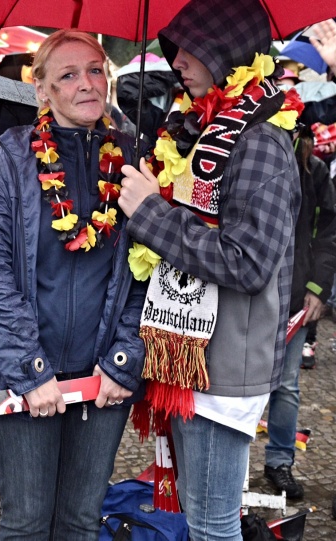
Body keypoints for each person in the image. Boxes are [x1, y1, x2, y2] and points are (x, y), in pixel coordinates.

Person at [118, 0, 300, 538]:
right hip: (192, 354)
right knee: (198, 516)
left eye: (190, 48)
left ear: (225, 51)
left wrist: (151, 214)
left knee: (212, 523)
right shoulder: (206, 128)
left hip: (225, 368)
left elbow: (245, 263)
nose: (177, 61)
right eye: (174, 48)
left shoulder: (260, 140)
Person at [0, 29, 145, 539]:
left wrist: (124, 358)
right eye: (68, 75)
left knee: (81, 521)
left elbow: (149, 272)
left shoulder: (133, 161)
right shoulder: (7, 160)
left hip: (102, 375)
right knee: (28, 523)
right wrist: (31, 371)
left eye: (96, 70)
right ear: (41, 90)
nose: (88, 84)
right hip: (20, 373)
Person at [262, 124, 336, 500]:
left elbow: (328, 230)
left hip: (294, 294)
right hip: (248, 294)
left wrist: (318, 287)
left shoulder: (314, 169)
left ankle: (279, 461)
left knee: (286, 384)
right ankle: (226, 465)